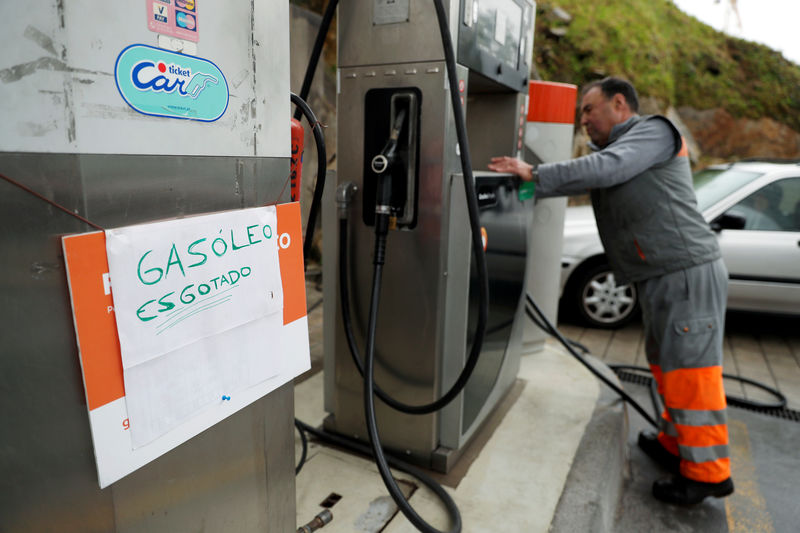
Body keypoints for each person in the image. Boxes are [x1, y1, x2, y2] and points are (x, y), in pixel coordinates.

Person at [489, 77, 734, 505]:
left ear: (619, 104)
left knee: (691, 370)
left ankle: (708, 473)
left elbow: (606, 169)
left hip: (685, 271)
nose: (583, 119)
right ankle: (676, 444)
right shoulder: (618, 152)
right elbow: (590, 176)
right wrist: (520, 186)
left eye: (589, 109)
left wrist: (534, 172)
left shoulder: (652, 133)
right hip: (661, 275)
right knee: (667, 365)